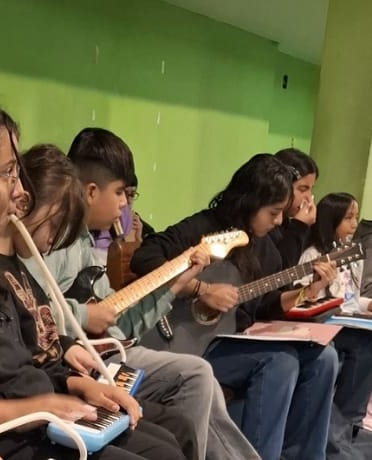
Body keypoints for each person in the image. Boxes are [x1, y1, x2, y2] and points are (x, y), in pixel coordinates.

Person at [0, 93, 190, 460]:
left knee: (171, 436)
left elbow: (28, 362)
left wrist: (70, 381)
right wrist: (48, 401)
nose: (19, 192)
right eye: (8, 173)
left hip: (43, 415)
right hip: (24, 432)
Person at [19, 133, 260, 460]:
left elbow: (120, 326)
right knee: (196, 377)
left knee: (198, 381)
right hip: (77, 366)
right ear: (91, 192)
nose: (124, 204)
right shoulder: (57, 241)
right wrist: (86, 315)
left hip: (106, 353)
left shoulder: (86, 244)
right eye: (120, 192)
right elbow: (30, 308)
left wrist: (176, 283)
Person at [130, 153, 339, 460]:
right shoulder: (206, 227)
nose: (279, 222)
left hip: (226, 340)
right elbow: (144, 258)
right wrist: (202, 290)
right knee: (280, 363)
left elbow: (264, 305)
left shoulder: (266, 250)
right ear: (250, 201)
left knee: (324, 358)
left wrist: (308, 291)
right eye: (273, 213)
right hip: (182, 342)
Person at [296, 192, 372, 459]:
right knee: (364, 344)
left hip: (347, 319)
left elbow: (349, 298)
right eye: (348, 218)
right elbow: (302, 298)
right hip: (322, 322)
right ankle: (343, 428)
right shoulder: (313, 255)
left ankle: (349, 425)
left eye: (355, 217)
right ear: (332, 219)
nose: (354, 224)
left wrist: (367, 305)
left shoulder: (354, 254)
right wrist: (319, 284)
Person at [271, 148, 319, 267]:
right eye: (303, 189)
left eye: (311, 189)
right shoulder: (265, 223)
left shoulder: (287, 223)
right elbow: (280, 270)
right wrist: (299, 225)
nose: (309, 197)